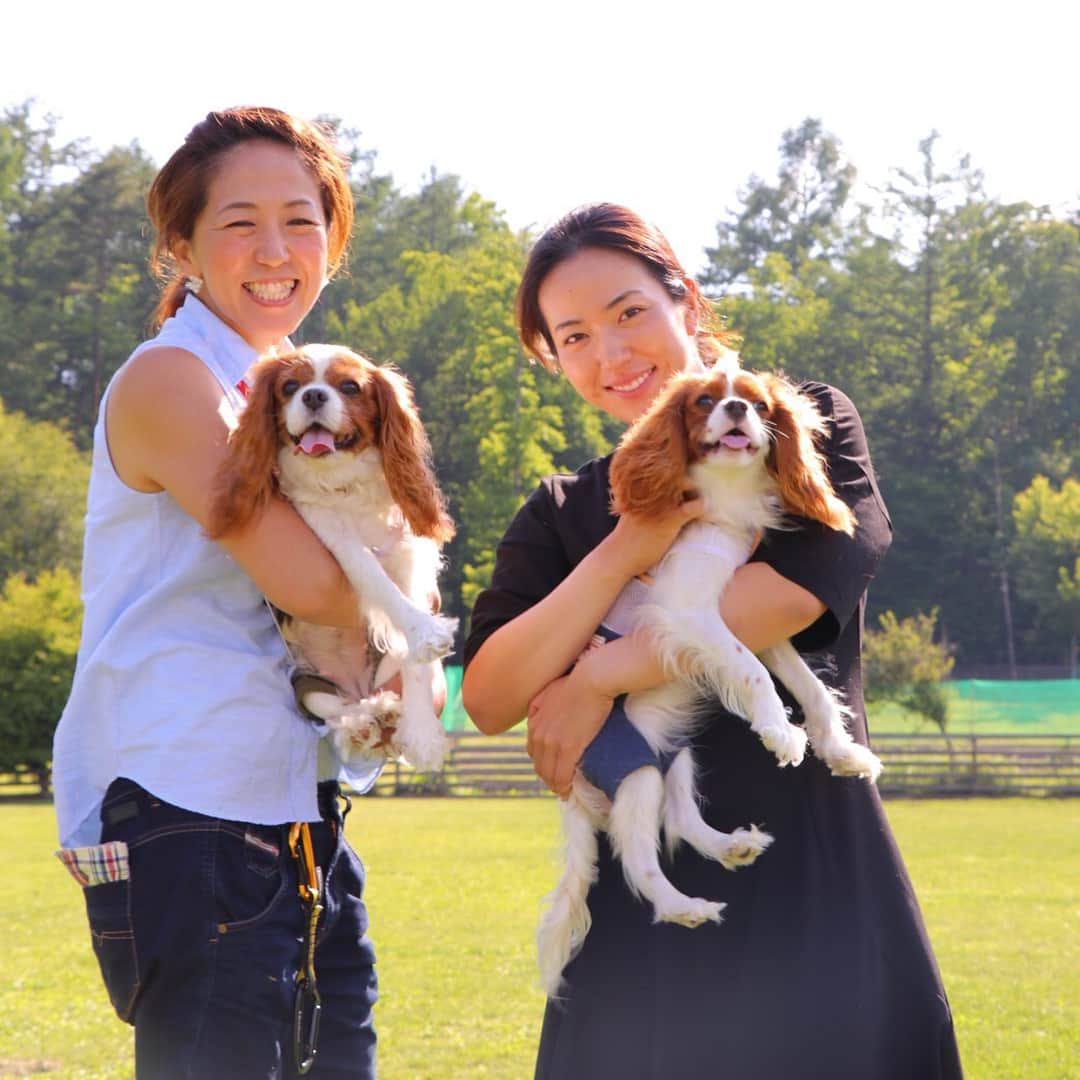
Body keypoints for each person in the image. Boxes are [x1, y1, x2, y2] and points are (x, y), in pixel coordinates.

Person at [462, 203, 963, 1079]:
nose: (611, 354)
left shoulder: (802, 426)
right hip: (641, 918)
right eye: (572, 337)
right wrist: (624, 549)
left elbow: (794, 593)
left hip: (815, 882)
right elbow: (492, 694)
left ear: (684, 300)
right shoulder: (560, 511)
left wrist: (595, 678)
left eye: (628, 313)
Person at [52, 106, 406, 1078]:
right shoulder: (175, 379)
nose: (275, 248)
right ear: (183, 245)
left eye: (301, 220)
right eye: (239, 221)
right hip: (192, 808)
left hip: (294, 805)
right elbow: (317, 588)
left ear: (333, 241)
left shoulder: (281, 387)